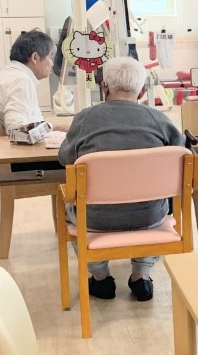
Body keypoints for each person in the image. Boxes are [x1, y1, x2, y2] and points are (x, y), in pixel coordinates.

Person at [58, 56, 185, 303]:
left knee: (68, 207)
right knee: (156, 200)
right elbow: (181, 157)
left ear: (104, 87)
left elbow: (66, 159)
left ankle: (100, 277)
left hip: (94, 219)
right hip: (149, 217)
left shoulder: (85, 118)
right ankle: (141, 275)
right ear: (142, 91)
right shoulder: (158, 119)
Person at [0, 29, 71, 134]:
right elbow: (17, 130)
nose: (52, 64)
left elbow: (29, 123)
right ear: (35, 57)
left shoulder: (7, 74)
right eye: (50, 56)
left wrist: (58, 127)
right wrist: (59, 129)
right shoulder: (21, 81)